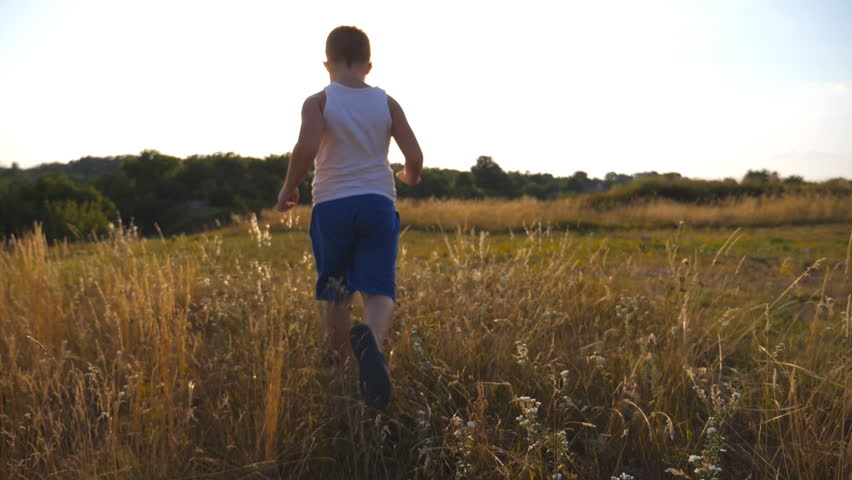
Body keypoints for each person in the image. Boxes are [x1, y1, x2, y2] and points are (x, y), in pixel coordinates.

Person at [276, 26, 423, 410]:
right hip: (377, 202)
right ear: (368, 66)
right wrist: (409, 177)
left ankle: (340, 370)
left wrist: (289, 187)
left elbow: (306, 147)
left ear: (327, 64)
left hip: (332, 205)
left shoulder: (318, 101)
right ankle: (371, 341)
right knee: (379, 290)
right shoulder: (387, 103)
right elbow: (415, 154)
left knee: (338, 291)